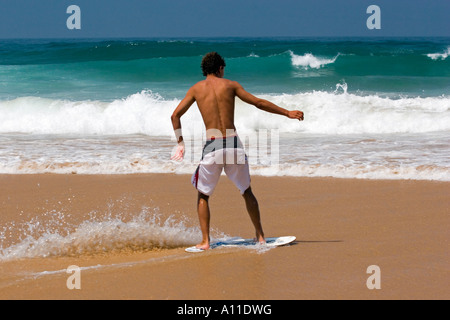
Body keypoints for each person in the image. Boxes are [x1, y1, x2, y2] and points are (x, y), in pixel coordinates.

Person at [171, 52, 304, 251]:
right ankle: (260, 237)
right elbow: (258, 102)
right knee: (246, 191)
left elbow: (175, 115)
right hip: (233, 143)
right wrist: (287, 113)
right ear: (220, 68)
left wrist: (180, 142)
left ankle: (206, 241)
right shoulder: (231, 85)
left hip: (213, 144)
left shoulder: (196, 89)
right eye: (223, 69)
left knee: (203, 196)